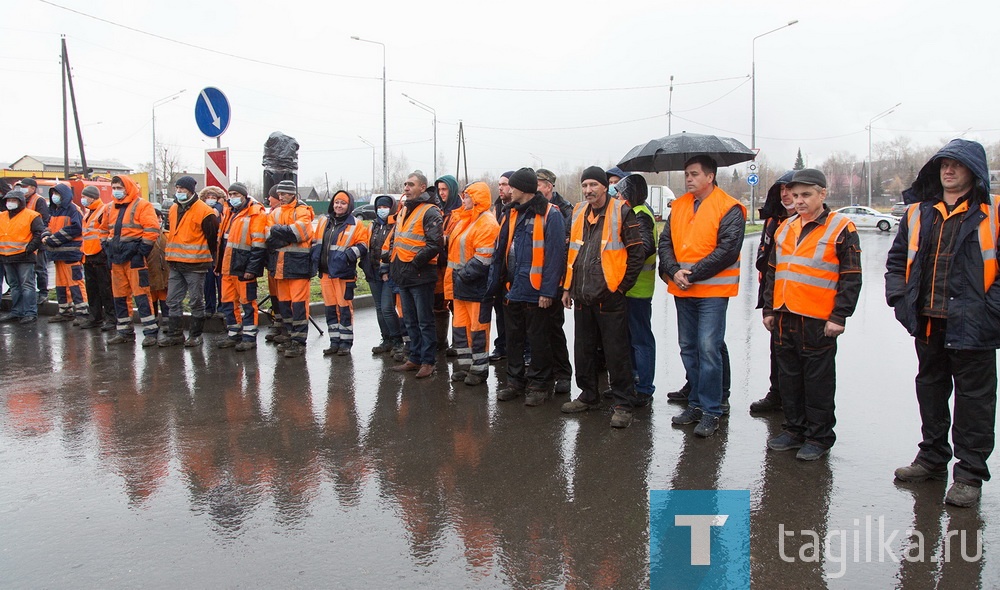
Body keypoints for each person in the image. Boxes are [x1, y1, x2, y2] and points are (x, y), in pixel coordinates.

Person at [886, 139, 999, 507]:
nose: (947, 171)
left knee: (975, 403)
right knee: (931, 392)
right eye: (943, 164)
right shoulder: (919, 212)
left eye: (956, 165)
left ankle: (968, 475)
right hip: (930, 323)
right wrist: (901, 301)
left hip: (975, 327)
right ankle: (932, 458)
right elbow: (897, 261)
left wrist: (990, 312)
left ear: (974, 171)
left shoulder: (993, 212)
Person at [762, 168, 862, 461]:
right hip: (784, 316)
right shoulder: (785, 227)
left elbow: (851, 276)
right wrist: (769, 309)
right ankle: (794, 430)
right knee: (789, 379)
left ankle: (818, 437)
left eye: (806, 195)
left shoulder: (841, 227)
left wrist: (839, 316)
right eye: (795, 195)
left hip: (818, 320)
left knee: (817, 382)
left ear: (822, 194)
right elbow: (772, 272)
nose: (799, 200)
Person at [658, 155, 746, 437]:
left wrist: (691, 274)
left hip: (712, 291)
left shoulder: (729, 207)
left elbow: (727, 250)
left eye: (694, 174)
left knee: (709, 348)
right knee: (688, 347)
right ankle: (695, 403)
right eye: (686, 174)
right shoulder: (680, 205)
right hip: (683, 289)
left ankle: (711, 410)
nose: (688, 179)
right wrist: (674, 271)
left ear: (710, 177)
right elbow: (665, 242)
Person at [560, 167, 645, 428]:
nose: (588, 190)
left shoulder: (621, 211)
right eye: (585, 185)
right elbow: (571, 253)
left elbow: (636, 253)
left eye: (593, 185)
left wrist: (620, 288)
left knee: (616, 353)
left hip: (609, 297)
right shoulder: (577, 212)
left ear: (605, 187)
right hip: (582, 295)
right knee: (583, 351)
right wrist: (566, 288)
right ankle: (588, 395)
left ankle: (622, 404)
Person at [489, 168, 566, 405]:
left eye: (512, 186)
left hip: (536, 291)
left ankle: (539, 385)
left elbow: (555, 257)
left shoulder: (550, 215)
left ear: (522, 189)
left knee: (538, 340)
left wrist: (547, 291)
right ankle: (515, 382)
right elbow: (501, 250)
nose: (508, 190)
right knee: (514, 339)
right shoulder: (511, 212)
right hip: (514, 289)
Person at [390, 172, 445, 378]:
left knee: (424, 321)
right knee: (410, 320)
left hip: (420, 274)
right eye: (405, 183)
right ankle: (414, 357)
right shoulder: (404, 209)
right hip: (403, 274)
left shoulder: (430, 211)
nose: (406, 187)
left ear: (422, 187)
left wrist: (414, 263)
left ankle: (428, 362)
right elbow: (399, 239)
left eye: (410, 184)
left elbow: (435, 245)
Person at [445, 181, 500, 386]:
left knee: (478, 330)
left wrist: (461, 277)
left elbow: (483, 258)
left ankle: (479, 370)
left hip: (476, 288)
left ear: (476, 198)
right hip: (461, 287)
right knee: (460, 329)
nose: (464, 200)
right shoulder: (464, 220)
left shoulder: (487, 223)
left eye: (467, 196)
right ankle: (465, 366)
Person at [750, 171, 796, 414]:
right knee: (776, 349)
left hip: (802, 301)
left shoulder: (808, 222)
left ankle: (796, 405)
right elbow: (766, 260)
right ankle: (777, 394)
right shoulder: (773, 221)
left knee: (799, 358)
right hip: (774, 296)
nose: (786, 194)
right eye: (782, 190)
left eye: (791, 189)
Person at [100, 175, 161, 346]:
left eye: (119, 187)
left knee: (141, 295)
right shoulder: (110, 207)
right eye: (114, 188)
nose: (116, 191)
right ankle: (124, 331)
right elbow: (103, 229)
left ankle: (150, 332)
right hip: (116, 258)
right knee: (119, 296)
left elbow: (152, 230)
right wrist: (106, 247)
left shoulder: (142, 205)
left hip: (134, 258)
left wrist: (140, 251)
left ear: (127, 187)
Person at [158, 178, 219, 348]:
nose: (179, 191)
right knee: (172, 300)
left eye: (182, 188)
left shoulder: (205, 212)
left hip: (195, 264)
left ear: (191, 191)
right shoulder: (174, 208)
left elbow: (212, 239)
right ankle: (175, 334)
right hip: (176, 263)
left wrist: (212, 260)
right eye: (177, 188)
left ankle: (195, 335)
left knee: (196, 300)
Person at [617, 174, 658, 406]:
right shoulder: (639, 211)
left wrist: (625, 264)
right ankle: (634, 382)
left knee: (640, 340)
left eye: (622, 193)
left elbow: (644, 246)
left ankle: (643, 387)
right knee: (632, 339)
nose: (620, 198)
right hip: (633, 288)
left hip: (637, 288)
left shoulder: (640, 213)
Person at [313, 190, 370, 356]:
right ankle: (334, 342)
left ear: (349, 206)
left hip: (343, 274)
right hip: (325, 273)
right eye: (336, 202)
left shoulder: (356, 224)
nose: (339, 206)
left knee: (344, 309)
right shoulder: (324, 221)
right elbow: (316, 243)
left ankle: (345, 343)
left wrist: (348, 256)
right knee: (330, 309)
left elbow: (363, 246)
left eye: (343, 203)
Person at [265, 180, 315, 358]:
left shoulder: (302, 211)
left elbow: (300, 233)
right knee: (284, 304)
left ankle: (299, 341)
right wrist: (286, 233)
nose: (281, 196)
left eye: (285, 194)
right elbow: (268, 236)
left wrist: (279, 232)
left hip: (298, 266)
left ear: (293, 194)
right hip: (280, 266)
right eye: (280, 194)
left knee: (299, 305)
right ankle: (289, 335)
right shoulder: (276, 212)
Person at [215, 182, 267, 352]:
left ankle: (249, 337)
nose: (233, 198)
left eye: (236, 194)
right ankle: (233, 333)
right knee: (228, 302)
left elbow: (259, 246)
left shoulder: (255, 214)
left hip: (243, 267)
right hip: (227, 267)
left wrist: (251, 270)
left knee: (247, 302)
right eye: (230, 194)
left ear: (244, 196)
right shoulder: (229, 212)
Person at [535, 168, 573, 394]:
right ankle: (544, 371)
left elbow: (564, 248)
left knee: (554, 328)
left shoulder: (563, 210)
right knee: (539, 330)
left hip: (556, 278)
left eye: (538, 184)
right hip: (535, 279)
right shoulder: (534, 208)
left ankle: (563, 374)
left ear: (548, 186)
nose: (535, 188)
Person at [363, 195, 404, 355]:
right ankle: (386, 339)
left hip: (389, 273)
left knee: (387, 308)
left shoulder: (396, 225)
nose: (382, 210)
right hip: (373, 272)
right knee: (379, 308)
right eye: (379, 207)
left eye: (385, 207)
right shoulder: (373, 226)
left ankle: (397, 339)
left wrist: (386, 269)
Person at [42, 183, 88, 323]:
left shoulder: (73, 210)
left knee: (75, 283)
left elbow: (75, 228)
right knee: (61, 284)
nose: (55, 197)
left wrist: (52, 240)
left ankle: (82, 312)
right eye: (53, 194)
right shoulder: (54, 210)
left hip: (71, 254)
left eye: (57, 194)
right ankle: (65, 310)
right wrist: (45, 235)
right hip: (59, 254)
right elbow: (48, 226)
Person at [0, 188, 47, 323]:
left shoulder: (32, 216)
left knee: (27, 285)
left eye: (13, 200)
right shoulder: (2, 216)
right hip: (6, 256)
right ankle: (17, 311)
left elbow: (39, 234)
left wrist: (29, 249)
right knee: (14, 286)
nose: (10, 203)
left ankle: (30, 312)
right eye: (8, 200)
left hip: (24, 256)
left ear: (20, 202)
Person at [79, 185, 115, 331]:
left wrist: (103, 252)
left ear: (92, 197)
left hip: (100, 255)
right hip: (88, 255)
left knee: (106, 289)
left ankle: (111, 318)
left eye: (85, 196)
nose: (83, 199)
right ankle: (95, 317)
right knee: (92, 290)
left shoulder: (103, 210)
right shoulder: (88, 212)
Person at [488, 171, 514, 362]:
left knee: (514, 316)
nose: (500, 188)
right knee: (500, 312)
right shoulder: (497, 208)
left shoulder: (516, 209)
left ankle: (518, 349)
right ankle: (502, 346)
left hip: (512, 270)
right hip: (498, 269)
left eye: (504, 184)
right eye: (499, 184)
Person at [435, 174, 463, 353]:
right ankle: (440, 341)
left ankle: (458, 344)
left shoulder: (460, 212)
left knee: (456, 305)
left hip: (453, 266)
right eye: (439, 190)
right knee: (438, 304)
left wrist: (443, 238)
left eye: (444, 189)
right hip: (438, 266)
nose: (441, 193)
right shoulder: (439, 210)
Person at [15, 178, 51, 305]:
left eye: (25, 186)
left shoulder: (38, 200)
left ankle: (43, 293)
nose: (23, 189)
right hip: (25, 241)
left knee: (40, 268)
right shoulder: (22, 200)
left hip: (37, 240)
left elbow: (44, 220)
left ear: (33, 188)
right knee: (28, 271)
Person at [202, 187, 225, 320]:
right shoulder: (203, 211)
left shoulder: (224, 212)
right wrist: (218, 205)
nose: (210, 200)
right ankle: (209, 307)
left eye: (214, 198)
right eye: (208, 197)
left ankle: (222, 307)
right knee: (208, 283)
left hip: (219, 251)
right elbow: (211, 214)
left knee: (221, 282)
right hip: (205, 251)